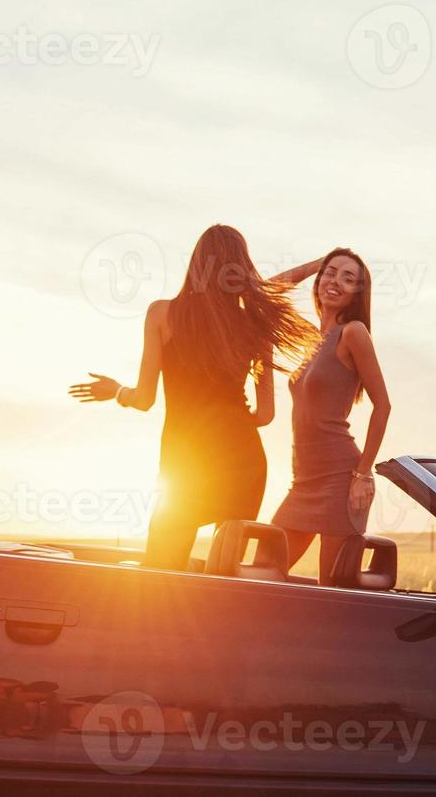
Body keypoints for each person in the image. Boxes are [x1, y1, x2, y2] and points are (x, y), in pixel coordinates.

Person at [69, 225, 319, 570]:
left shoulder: (162, 314)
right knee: (224, 573)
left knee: (160, 572)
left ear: (197, 264)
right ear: (241, 269)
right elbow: (264, 416)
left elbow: (144, 399)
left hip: (185, 461)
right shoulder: (253, 324)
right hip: (242, 460)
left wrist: (116, 392)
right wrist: (321, 262)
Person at [272, 247, 392, 583]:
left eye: (348, 278)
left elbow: (383, 404)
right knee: (264, 572)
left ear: (357, 293)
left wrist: (363, 473)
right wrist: (316, 263)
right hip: (303, 482)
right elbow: (265, 292)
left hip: (341, 480)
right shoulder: (311, 338)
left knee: (334, 592)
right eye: (331, 272)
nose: (336, 281)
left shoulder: (353, 332)